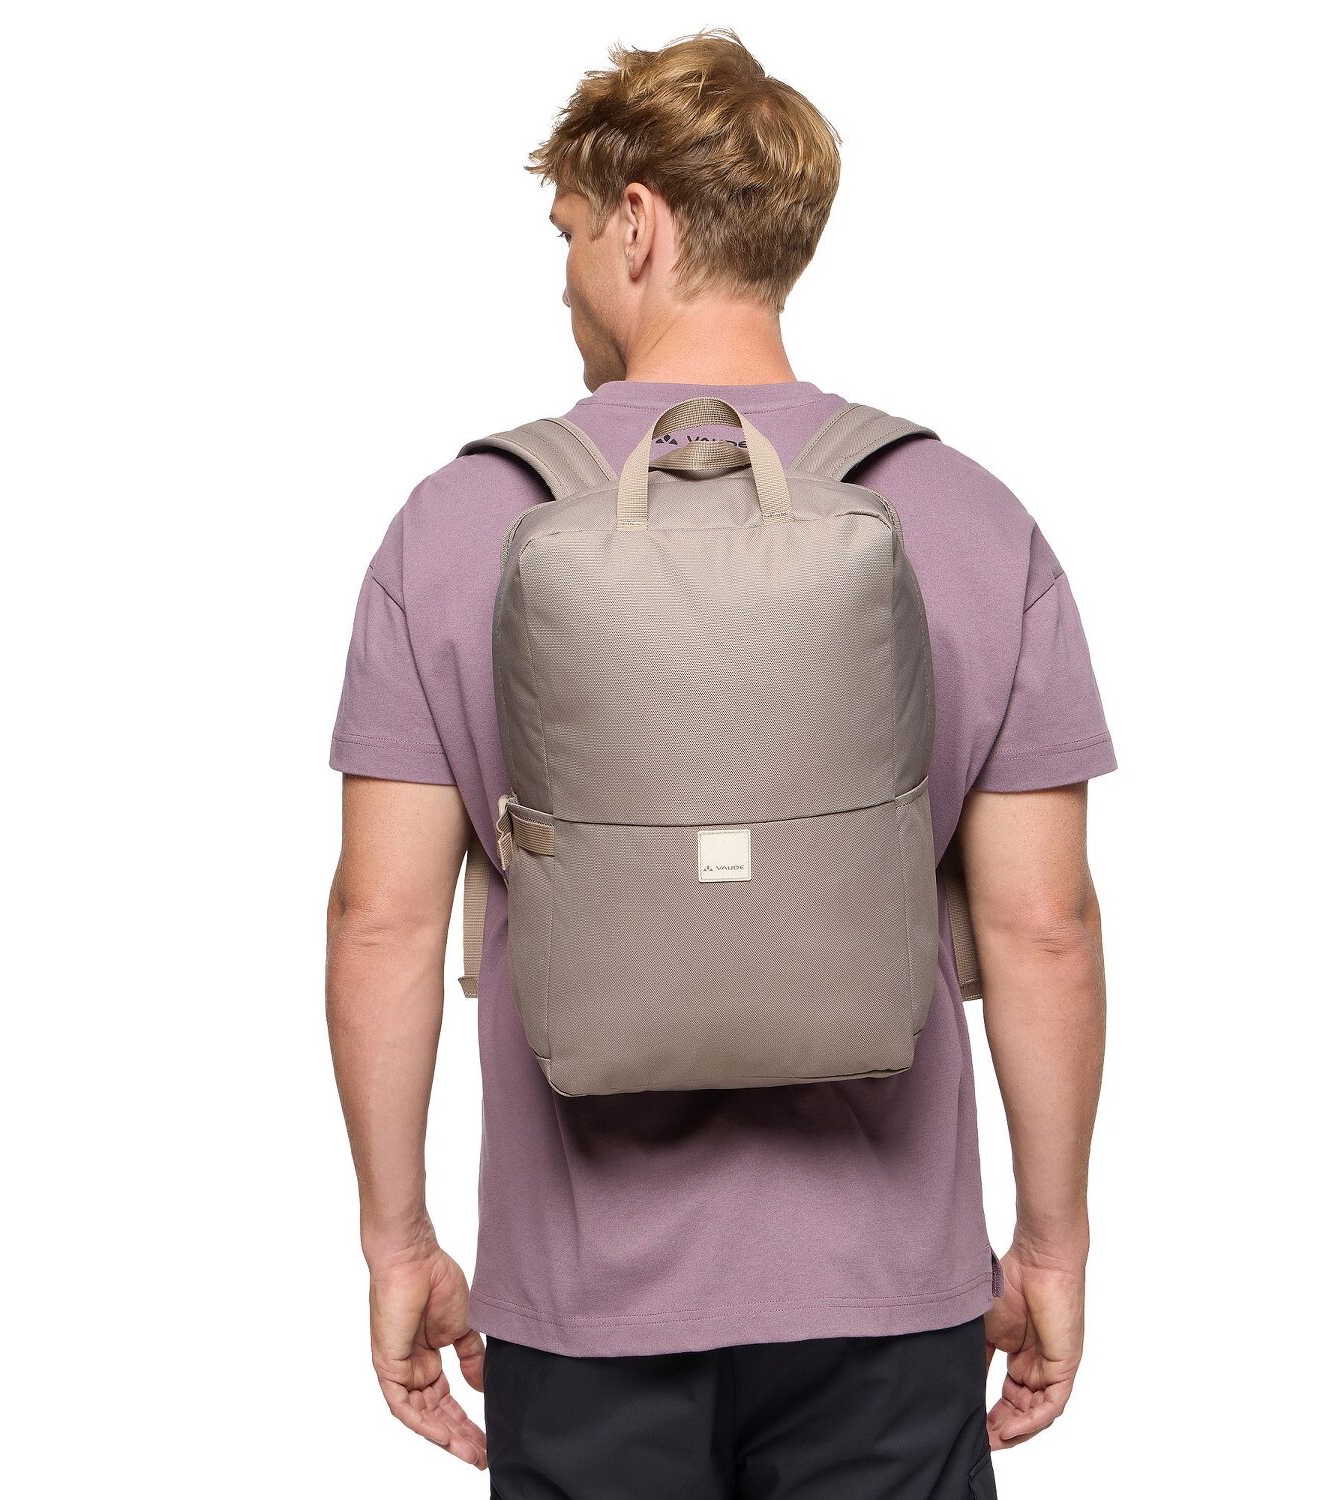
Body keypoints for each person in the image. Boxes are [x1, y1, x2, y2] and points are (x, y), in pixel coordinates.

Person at [325, 28, 1114, 1498]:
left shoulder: (456, 523)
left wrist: (399, 1242)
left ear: (639, 225)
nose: (563, 278)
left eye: (569, 232)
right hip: (889, 1300)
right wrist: (1052, 1244)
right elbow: (1043, 927)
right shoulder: (966, 514)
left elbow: (382, 921)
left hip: (581, 1307)